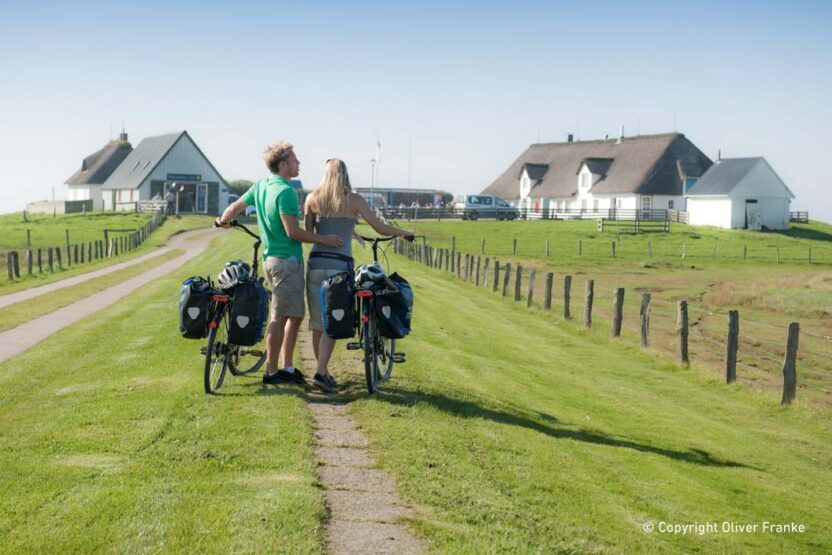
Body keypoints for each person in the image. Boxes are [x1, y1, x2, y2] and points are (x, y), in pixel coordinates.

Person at [216, 141, 343, 386]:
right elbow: (293, 232)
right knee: (281, 316)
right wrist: (322, 238)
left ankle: (286, 366)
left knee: (294, 316)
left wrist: (222, 221)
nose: (299, 163)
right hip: (287, 261)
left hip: (271, 260)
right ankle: (272, 370)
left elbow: (233, 208)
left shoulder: (261, 185)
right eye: (295, 160)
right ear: (283, 164)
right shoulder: (285, 192)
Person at [304, 159, 413, 393]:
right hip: (339, 267)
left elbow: (310, 234)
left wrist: (350, 232)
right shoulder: (354, 200)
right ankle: (320, 372)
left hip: (314, 265)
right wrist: (404, 233)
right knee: (332, 321)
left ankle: (323, 371)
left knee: (317, 324)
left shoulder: (312, 199)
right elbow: (380, 228)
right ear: (345, 174)